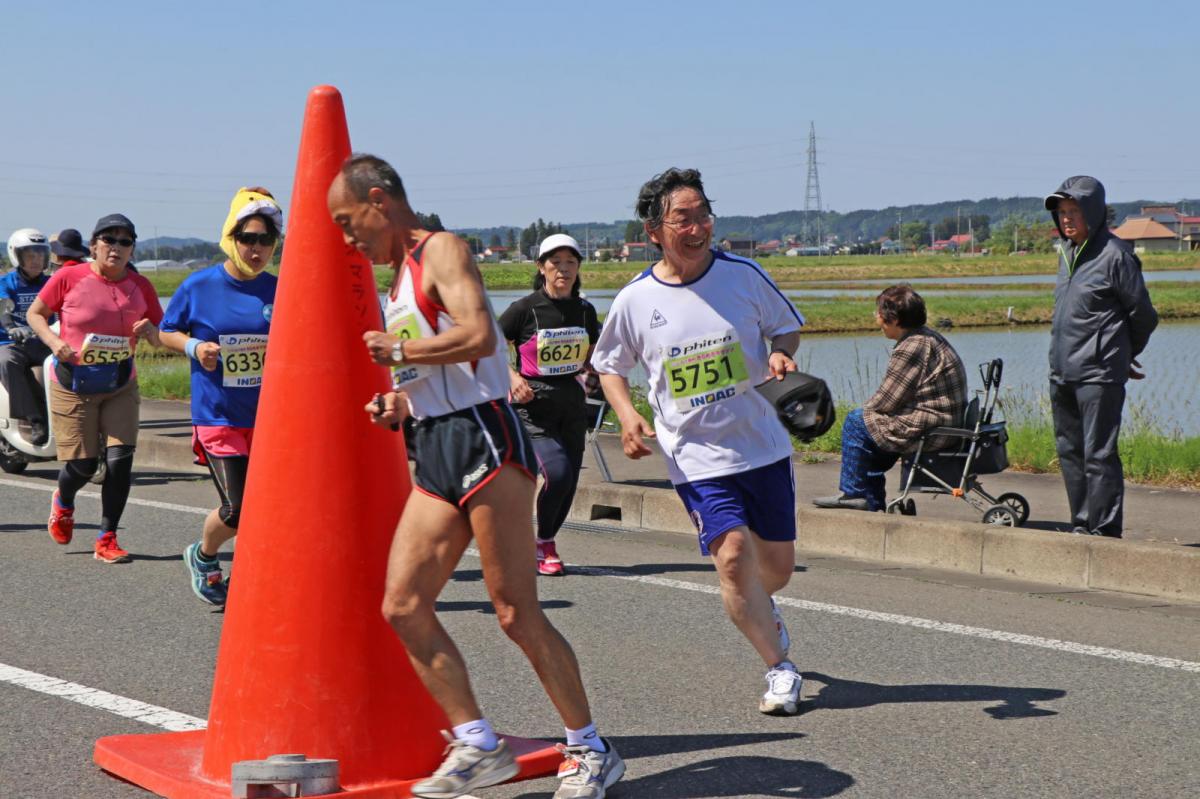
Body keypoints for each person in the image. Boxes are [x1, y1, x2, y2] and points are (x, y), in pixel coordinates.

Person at [327, 154, 623, 799]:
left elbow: (482, 337)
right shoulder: (400, 277)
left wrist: (399, 350)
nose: (349, 239)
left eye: (350, 222)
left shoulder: (443, 251)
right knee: (402, 605)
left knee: (516, 613)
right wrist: (400, 399)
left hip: (487, 438)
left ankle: (589, 748)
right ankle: (477, 744)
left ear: (380, 199)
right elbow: (436, 371)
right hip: (436, 444)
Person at [590, 167, 806, 716]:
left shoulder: (744, 275)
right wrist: (627, 414)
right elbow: (609, 366)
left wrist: (781, 352)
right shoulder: (636, 300)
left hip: (762, 445)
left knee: (775, 570)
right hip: (695, 456)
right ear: (653, 232)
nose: (698, 227)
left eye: (703, 214)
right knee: (733, 557)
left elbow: (787, 326)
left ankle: (761, 605)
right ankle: (779, 667)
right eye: (683, 218)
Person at [160, 188, 281, 605]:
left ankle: (261, 575)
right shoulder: (200, 285)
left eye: (266, 241)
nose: (257, 249)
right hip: (218, 415)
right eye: (249, 239)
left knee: (271, 511)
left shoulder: (278, 290)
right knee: (238, 510)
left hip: (266, 418)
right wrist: (195, 348)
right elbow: (165, 331)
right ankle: (204, 555)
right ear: (231, 238)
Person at [27, 214, 163, 563]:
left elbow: (162, 330)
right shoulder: (69, 277)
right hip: (74, 384)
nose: (116, 247)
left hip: (120, 383)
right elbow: (36, 314)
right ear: (94, 245)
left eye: (125, 241)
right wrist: (54, 342)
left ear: (132, 249)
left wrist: (152, 332)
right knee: (84, 465)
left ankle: (107, 537)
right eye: (108, 239)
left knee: (120, 462)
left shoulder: (141, 286)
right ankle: (64, 500)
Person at [1045, 176, 1157, 538]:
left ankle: (1105, 531)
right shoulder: (1066, 253)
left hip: (1098, 374)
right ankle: (1082, 523)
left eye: (1074, 210)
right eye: (1062, 212)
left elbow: (1143, 315)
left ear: (1092, 211)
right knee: (1071, 453)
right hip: (1062, 371)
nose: (1066, 218)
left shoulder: (1115, 254)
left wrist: (1122, 354)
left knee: (1099, 454)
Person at [498, 233, 600, 576]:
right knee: (555, 472)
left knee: (569, 479)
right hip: (533, 407)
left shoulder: (585, 310)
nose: (564, 270)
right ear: (541, 267)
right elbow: (488, 346)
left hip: (572, 406)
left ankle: (546, 541)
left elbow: (597, 351)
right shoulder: (524, 309)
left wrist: (592, 368)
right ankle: (544, 544)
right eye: (555, 263)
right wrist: (513, 379)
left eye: (571, 263)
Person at [813, 285, 966, 512]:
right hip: (942, 421)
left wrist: (865, 414)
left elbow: (886, 400)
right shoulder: (926, 336)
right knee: (870, 428)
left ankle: (853, 493)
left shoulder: (912, 347)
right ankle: (871, 504)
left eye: (879, 314)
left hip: (933, 427)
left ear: (893, 319)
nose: (877, 318)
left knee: (857, 421)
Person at [1, 229, 54, 444]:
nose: (35, 260)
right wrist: (12, 327)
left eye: (40, 255)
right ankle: (35, 420)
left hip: (45, 341)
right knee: (6, 361)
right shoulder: (5, 283)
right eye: (30, 255)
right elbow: (3, 308)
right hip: (12, 343)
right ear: (17, 256)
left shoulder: (52, 283)